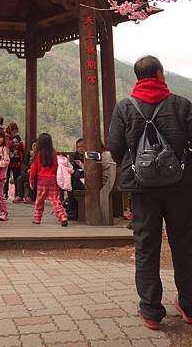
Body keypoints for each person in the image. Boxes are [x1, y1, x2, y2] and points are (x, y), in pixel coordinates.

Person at [108, 55, 192, 330]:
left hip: (142, 188)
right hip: (180, 187)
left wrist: (137, 167)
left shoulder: (125, 107)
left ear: (137, 77)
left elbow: (116, 146)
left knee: (146, 246)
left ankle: (151, 311)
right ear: (159, 74)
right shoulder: (181, 105)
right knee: (185, 244)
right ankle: (189, 305)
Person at [29, 133, 68, 226]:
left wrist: (31, 180)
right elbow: (56, 167)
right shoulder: (53, 154)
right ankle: (62, 216)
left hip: (41, 182)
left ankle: (37, 218)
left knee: (39, 200)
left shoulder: (38, 155)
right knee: (55, 200)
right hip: (52, 180)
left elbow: (33, 168)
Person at [4, 122, 25, 200]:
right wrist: (12, 143)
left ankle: (17, 194)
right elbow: (6, 146)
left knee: (17, 177)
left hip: (16, 159)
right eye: (14, 130)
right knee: (6, 177)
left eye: (16, 130)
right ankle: (5, 192)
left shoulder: (18, 137)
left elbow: (21, 147)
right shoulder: (6, 137)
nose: (15, 132)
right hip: (8, 160)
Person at [15, 139, 37, 203]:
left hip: (37, 174)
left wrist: (34, 156)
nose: (34, 147)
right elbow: (25, 163)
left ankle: (29, 197)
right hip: (29, 172)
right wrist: (27, 169)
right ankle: (20, 196)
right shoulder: (29, 154)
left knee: (31, 180)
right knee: (20, 178)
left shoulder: (40, 154)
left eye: (36, 145)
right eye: (33, 145)